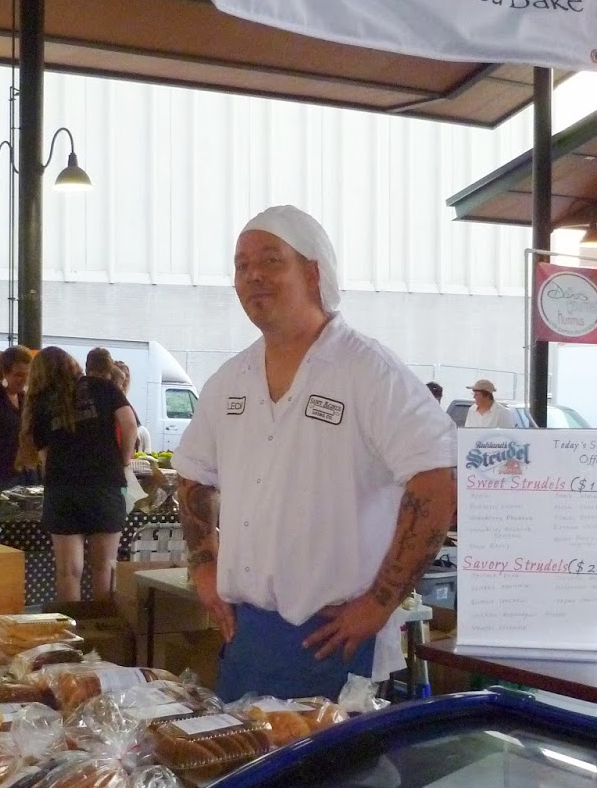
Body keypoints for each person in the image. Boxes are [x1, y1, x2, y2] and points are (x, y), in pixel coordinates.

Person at [174, 205, 456, 702]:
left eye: (270, 260)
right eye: (241, 265)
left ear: (313, 271)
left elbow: (436, 482)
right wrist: (203, 567)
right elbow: (194, 474)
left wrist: (380, 602)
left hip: (333, 640)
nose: (253, 275)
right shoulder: (229, 381)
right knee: (247, 775)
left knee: (336, 779)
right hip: (246, 636)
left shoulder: (369, 373)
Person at [19, 347, 138, 601]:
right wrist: (123, 461)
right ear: (72, 364)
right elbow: (129, 425)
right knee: (105, 566)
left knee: (68, 571)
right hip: (104, 483)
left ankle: (72, 634)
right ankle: (103, 631)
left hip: (62, 488)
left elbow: (44, 455)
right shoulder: (103, 387)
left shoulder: (40, 402)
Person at [0, 344, 33, 493]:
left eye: (27, 375)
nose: (24, 380)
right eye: (18, 374)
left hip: (20, 475)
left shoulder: (24, 398)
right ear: (4, 373)